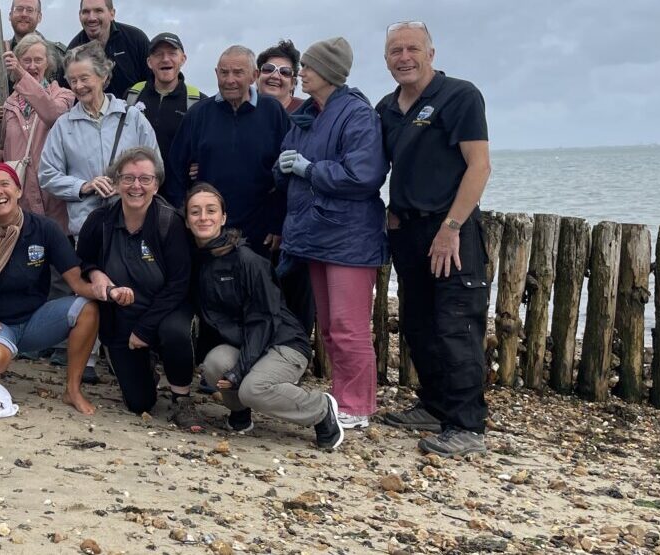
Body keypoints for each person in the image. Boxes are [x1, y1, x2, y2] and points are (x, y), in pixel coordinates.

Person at [375, 22, 493, 457]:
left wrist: (451, 228)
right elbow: (381, 168)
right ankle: (433, 405)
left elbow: (479, 166)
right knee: (418, 323)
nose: (404, 57)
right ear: (386, 59)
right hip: (407, 231)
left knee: (456, 326)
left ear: (431, 53)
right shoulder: (386, 107)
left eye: (412, 49)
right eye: (394, 51)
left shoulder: (459, 96)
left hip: (450, 230)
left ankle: (467, 427)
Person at [275, 37, 389, 430]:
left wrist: (308, 169)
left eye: (307, 67)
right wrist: (284, 166)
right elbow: (287, 163)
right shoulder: (308, 114)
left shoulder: (357, 115)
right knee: (328, 326)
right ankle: (342, 396)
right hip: (315, 234)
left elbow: (365, 174)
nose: (300, 72)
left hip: (349, 239)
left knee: (348, 326)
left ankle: (357, 405)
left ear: (330, 72)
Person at [185, 183, 344, 450]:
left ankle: (320, 408)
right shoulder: (198, 260)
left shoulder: (247, 260)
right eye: (195, 211)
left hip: (283, 343)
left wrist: (241, 370)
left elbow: (264, 318)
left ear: (223, 217)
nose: (203, 217)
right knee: (214, 364)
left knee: (252, 388)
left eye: (211, 210)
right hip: (245, 342)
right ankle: (240, 413)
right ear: (187, 220)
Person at [0, 163, 101, 414]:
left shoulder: (44, 228)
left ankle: (73, 390)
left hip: (35, 321)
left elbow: (77, 283)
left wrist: (107, 291)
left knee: (87, 308)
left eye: (5, 184)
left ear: (18, 190)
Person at [75, 147, 200, 429]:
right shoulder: (100, 221)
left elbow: (180, 283)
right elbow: (82, 259)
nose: (136, 186)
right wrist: (94, 273)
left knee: (174, 333)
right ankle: (147, 368)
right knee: (139, 403)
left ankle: (182, 397)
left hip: (166, 310)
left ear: (156, 184)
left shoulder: (170, 223)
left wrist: (145, 328)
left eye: (145, 179)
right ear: (116, 183)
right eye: (128, 178)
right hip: (122, 317)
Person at [166, 45, 289, 254]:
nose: (229, 79)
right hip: (208, 235)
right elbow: (175, 171)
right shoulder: (198, 114)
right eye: (224, 72)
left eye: (238, 73)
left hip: (260, 234)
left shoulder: (273, 112)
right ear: (216, 74)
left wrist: (277, 222)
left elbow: (286, 172)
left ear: (254, 76)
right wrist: (185, 220)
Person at [40, 41, 158, 238]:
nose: (78, 86)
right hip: (89, 229)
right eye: (72, 80)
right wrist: (83, 186)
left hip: (135, 225)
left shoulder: (132, 118)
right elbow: (47, 175)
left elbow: (156, 166)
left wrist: (125, 185)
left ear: (103, 75)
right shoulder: (63, 125)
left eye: (84, 78)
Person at [0, 32, 75, 231]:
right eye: (26, 61)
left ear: (48, 64)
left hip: (55, 202)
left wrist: (20, 73)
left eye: (38, 60)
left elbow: (52, 114)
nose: (32, 66)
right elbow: (5, 150)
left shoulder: (64, 96)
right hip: (22, 205)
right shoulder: (9, 105)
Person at [125, 32, 201, 171]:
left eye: (172, 53)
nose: (165, 59)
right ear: (149, 62)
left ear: (183, 59)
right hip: (138, 187)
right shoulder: (132, 95)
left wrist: (203, 164)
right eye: (158, 54)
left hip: (180, 190)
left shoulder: (198, 101)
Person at [67, 0, 150, 99]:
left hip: (134, 111)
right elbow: (68, 94)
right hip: (90, 113)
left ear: (112, 13)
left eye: (98, 10)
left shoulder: (136, 40)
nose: (91, 18)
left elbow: (153, 82)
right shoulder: (73, 50)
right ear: (80, 15)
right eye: (86, 12)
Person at [257, 39, 305, 113]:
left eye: (285, 72)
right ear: (257, 76)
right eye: (268, 68)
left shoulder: (306, 111)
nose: (275, 76)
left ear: (293, 83)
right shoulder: (240, 109)